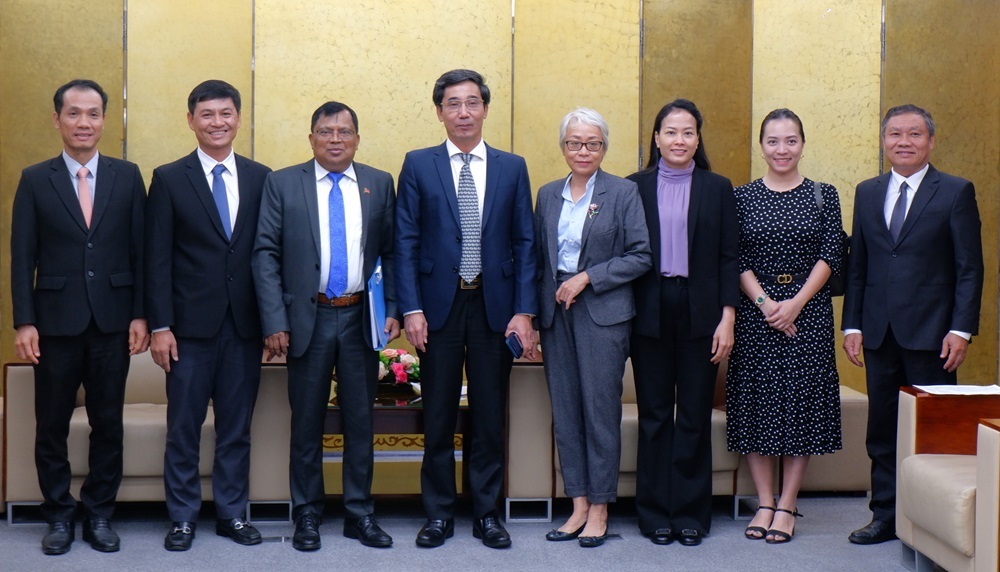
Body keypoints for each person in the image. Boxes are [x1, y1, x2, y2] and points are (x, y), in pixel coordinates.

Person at [395, 69, 537, 549]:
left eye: (472, 102)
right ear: (439, 111)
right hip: (438, 309)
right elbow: (406, 240)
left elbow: (525, 243)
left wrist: (525, 311)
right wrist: (411, 308)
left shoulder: (512, 167)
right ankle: (437, 514)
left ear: (485, 109)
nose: (463, 112)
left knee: (488, 416)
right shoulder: (418, 164)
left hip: (494, 308)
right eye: (452, 104)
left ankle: (486, 514)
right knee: (436, 413)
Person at [253, 101, 400, 551]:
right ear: (311, 137)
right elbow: (265, 253)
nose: (335, 139)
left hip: (360, 318)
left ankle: (359, 513)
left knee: (361, 421)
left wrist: (391, 307)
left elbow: (392, 252)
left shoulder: (379, 183)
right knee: (307, 423)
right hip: (306, 320)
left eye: (344, 131)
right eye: (325, 131)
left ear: (358, 138)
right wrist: (275, 319)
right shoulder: (282, 183)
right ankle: (308, 514)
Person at [11, 79, 149, 555]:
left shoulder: (128, 176)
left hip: (113, 321)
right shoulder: (35, 178)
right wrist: (24, 322)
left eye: (93, 114)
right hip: (53, 323)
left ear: (104, 120)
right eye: (74, 113)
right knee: (50, 424)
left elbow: (140, 252)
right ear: (57, 119)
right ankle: (58, 516)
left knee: (107, 422)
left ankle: (99, 514)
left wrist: (140, 314)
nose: (83, 122)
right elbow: (21, 254)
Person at [842, 104, 984, 545]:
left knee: (933, 430)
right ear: (884, 141)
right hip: (879, 332)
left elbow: (969, 268)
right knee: (882, 430)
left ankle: (930, 522)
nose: (904, 142)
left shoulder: (955, 191)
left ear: (931, 141)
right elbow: (859, 265)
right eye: (895, 134)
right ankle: (884, 515)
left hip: (933, 335)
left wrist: (961, 329)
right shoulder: (867, 191)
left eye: (915, 134)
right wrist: (851, 325)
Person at [145, 80, 271, 551]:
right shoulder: (169, 177)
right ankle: (181, 518)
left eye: (226, 113)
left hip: (245, 327)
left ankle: (232, 515)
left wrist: (273, 323)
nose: (217, 123)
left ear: (239, 118)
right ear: (191, 120)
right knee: (184, 428)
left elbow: (267, 254)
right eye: (207, 114)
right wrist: (160, 326)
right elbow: (156, 259)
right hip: (187, 331)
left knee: (236, 428)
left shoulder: (262, 178)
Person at [726, 109, 843, 544]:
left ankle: (788, 503)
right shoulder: (742, 198)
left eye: (790, 140)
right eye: (773, 141)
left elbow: (832, 254)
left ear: (802, 144)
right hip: (757, 314)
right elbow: (733, 257)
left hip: (808, 314)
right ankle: (763, 502)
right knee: (757, 404)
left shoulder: (822, 195)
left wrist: (794, 304)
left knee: (801, 406)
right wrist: (766, 304)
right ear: (762, 146)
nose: (782, 149)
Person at [535, 108, 651, 548]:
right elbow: (537, 261)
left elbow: (642, 254)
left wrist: (589, 277)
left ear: (604, 147)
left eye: (592, 143)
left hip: (602, 313)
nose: (583, 151)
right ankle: (578, 503)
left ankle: (601, 507)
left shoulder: (623, 192)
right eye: (574, 143)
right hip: (555, 317)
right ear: (563, 146)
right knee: (565, 412)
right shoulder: (547, 194)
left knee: (600, 413)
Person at [628, 99, 739, 547]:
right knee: (654, 415)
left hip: (702, 312)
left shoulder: (718, 188)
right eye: (670, 132)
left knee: (693, 414)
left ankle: (692, 513)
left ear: (698, 138)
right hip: (648, 310)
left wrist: (728, 316)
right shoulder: (632, 187)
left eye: (688, 132)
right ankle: (654, 513)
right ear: (656, 138)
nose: (679, 140)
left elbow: (729, 256)